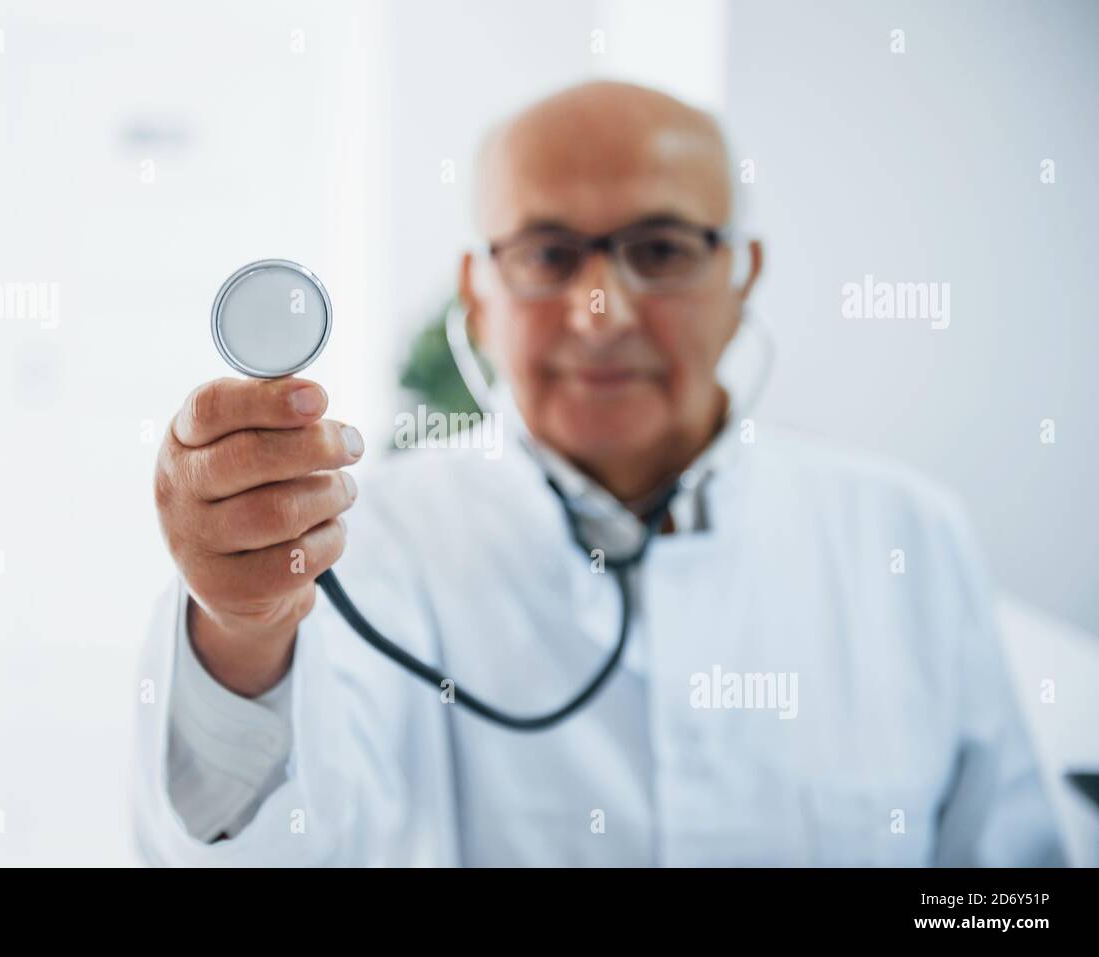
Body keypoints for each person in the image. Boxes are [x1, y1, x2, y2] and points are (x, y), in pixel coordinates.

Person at [132, 80, 1065, 866]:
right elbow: (267, 845)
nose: (598, 309)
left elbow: (1007, 879)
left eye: (659, 250)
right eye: (547, 254)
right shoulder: (362, 538)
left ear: (741, 277)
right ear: (479, 295)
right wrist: (242, 629)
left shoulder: (905, 535)